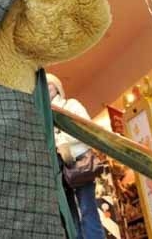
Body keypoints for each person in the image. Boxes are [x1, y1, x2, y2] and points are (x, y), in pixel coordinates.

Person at [48, 73, 104, 239]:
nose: (47, 87)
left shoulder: (71, 105)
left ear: (57, 87)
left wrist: (62, 140)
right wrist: (59, 142)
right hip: (58, 166)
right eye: (43, 85)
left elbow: (85, 127)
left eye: (49, 84)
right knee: (68, 214)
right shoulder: (43, 114)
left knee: (88, 207)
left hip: (80, 163)